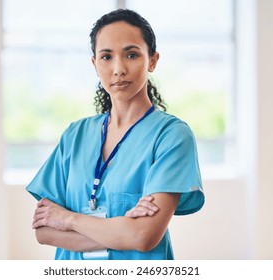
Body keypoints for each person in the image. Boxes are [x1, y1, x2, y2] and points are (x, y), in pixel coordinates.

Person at [26, 8, 204, 260]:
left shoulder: (171, 136)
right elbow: (44, 231)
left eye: (131, 54)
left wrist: (66, 219)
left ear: (152, 60)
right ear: (94, 64)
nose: (118, 69)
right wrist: (121, 229)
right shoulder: (75, 135)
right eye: (106, 57)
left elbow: (143, 236)